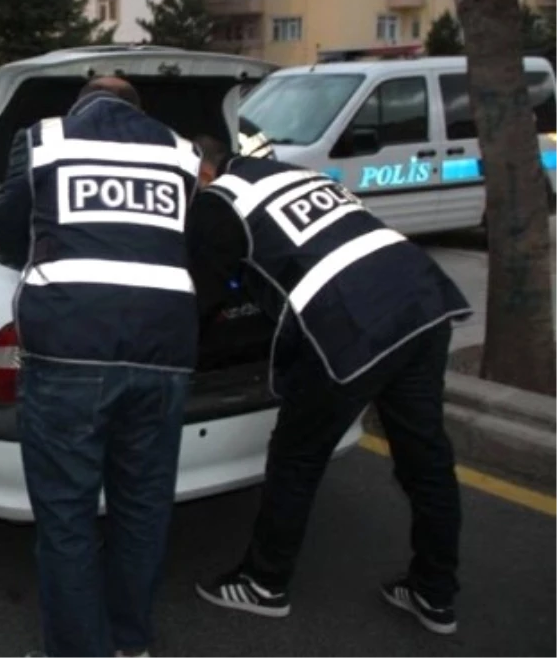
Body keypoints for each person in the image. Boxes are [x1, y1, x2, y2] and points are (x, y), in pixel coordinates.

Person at [187, 133, 471, 635]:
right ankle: (435, 591)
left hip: (352, 324)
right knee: (425, 456)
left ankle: (263, 582)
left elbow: (199, 298)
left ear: (203, 172)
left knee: (297, 454)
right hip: (423, 300)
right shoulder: (288, 173)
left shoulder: (217, 201)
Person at [0, 77, 202, 658]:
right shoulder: (181, 151)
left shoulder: (45, 138)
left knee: (67, 515)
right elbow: (189, 239)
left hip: (69, 347)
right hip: (165, 349)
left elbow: (4, 227)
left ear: (79, 102)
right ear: (139, 110)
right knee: (143, 507)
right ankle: (130, 644)